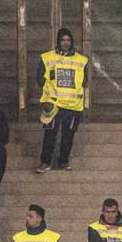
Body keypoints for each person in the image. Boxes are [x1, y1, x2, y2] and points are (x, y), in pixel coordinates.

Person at [37, 27, 88, 172]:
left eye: (68, 40)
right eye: (62, 40)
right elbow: (40, 78)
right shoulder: (47, 57)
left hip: (73, 105)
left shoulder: (82, 60)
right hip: (53, 104)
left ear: (72, 42)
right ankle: (45, 162)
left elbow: (84, 81)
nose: (65, 43)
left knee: (68, 135)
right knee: (50, 134)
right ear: (58, 41)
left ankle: (63, 162)